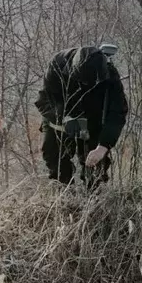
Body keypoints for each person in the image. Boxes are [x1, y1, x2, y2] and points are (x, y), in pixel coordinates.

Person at [35, 45, 128, 189]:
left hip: (93, 119)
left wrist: (103, 146)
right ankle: (65, 196)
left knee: (96, 167)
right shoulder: (58, 65)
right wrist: (63, 118)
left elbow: (117, 113)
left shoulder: (110, 75)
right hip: (61, 119)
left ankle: (94, 200)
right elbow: (44, 101)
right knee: (54, 158)